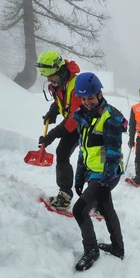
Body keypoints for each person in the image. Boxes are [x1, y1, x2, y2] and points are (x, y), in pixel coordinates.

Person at [72, 72, 126, 271]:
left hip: (106, 174)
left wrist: (104, 183)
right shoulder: (85, 116)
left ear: (100, 94)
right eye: (83, 98)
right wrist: (78, 177)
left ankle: (91, 249)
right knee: (106, 208)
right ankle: (118, 248)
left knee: (79, 210)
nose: (87, 102)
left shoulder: (110, 118)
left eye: (91, 98)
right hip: (94, 173)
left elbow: (112, 155)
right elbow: (83, 150)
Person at [36, 50, 82, 209]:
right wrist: (53, 112)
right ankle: (65, 194)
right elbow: (59, 101)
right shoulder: (58, 83)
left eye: (51, 76)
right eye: (46, 77)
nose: (48, 79)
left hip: (91, 126)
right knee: (62, 153)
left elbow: (75, 117)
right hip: (74, 126)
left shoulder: (77, 84)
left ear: (60, 71)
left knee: (92, 163)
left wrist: (54, 134)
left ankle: (98, 201)